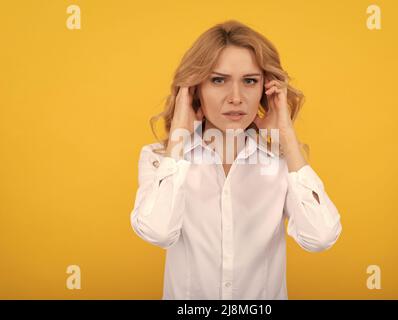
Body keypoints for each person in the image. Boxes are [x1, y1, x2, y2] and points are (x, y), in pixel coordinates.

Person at [130, 20, 342, 300]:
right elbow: (158, 232)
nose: (236, 98)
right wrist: (179, 136)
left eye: (250, 81)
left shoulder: (281, 163)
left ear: (266, 88)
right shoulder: (160, 159)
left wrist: (287, 138)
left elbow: (321, 237)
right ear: (194, 90)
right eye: (218, 80)